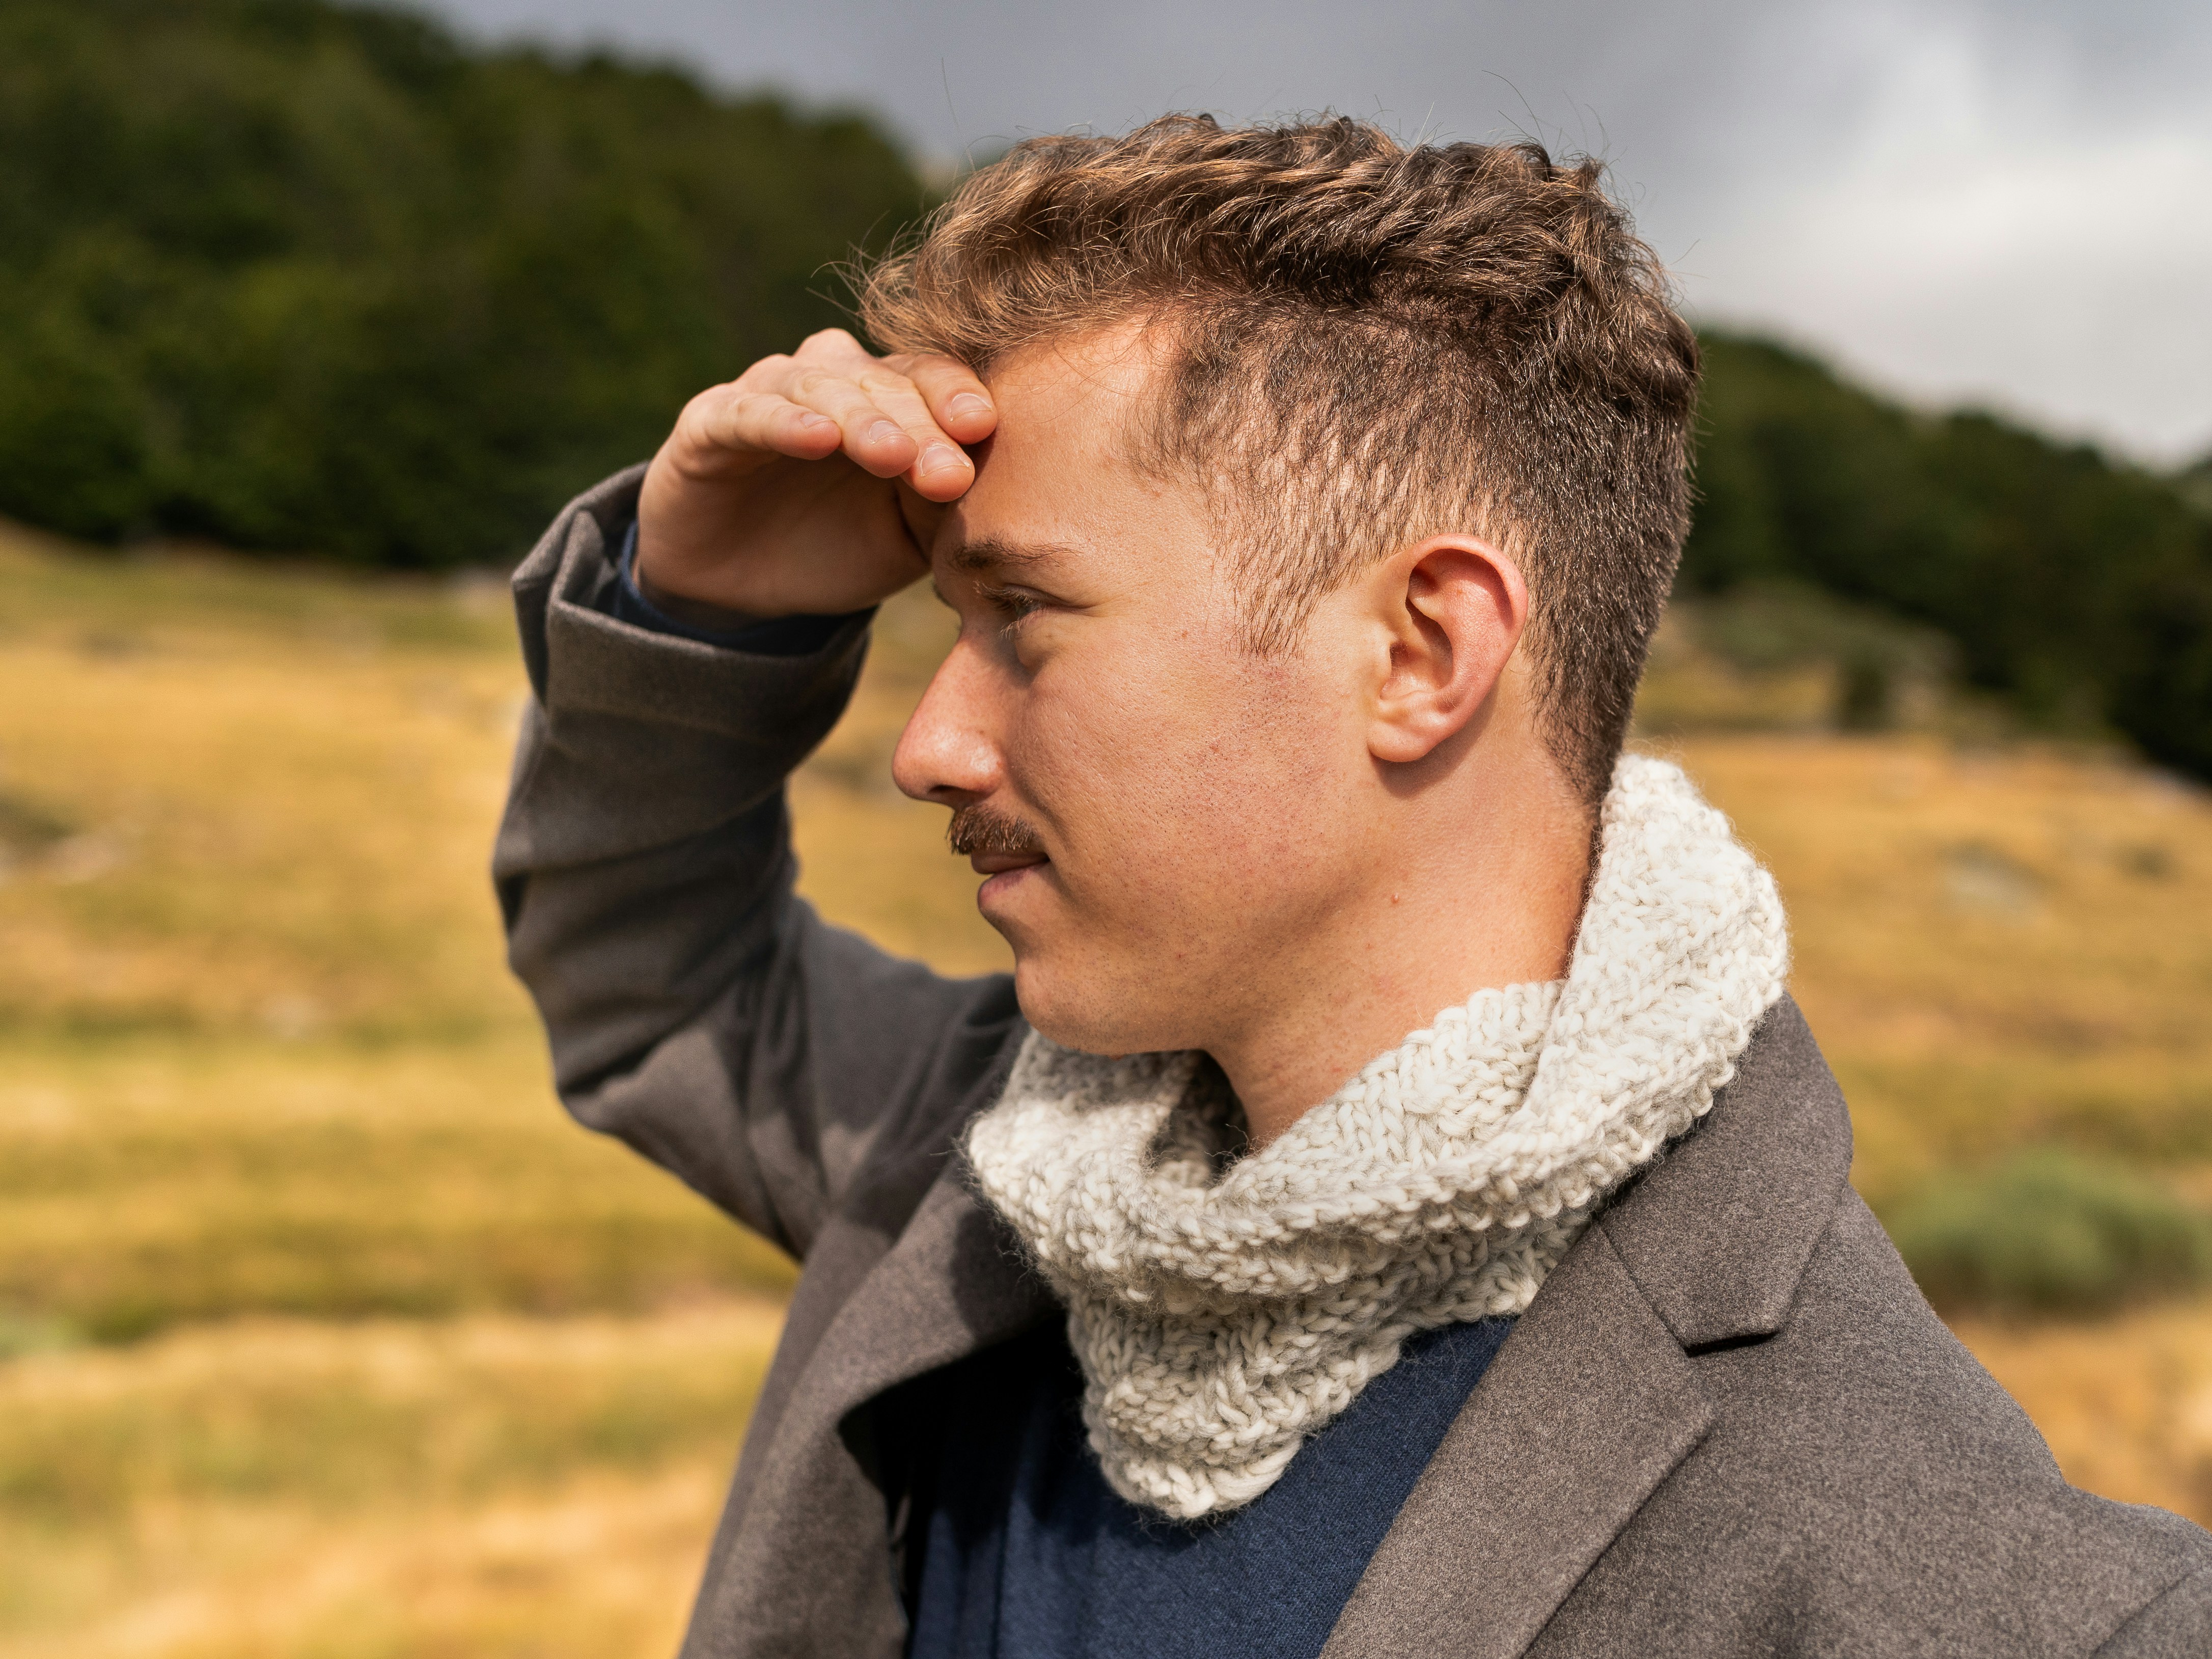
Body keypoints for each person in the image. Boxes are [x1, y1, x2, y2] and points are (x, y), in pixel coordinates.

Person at [494, 115, 2210, 1658]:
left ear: (1420, 653)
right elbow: (658, 984)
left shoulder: (1971, 1590)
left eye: (1024, 617)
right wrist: (704, 613)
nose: (931, 745)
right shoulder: (995, 1157)